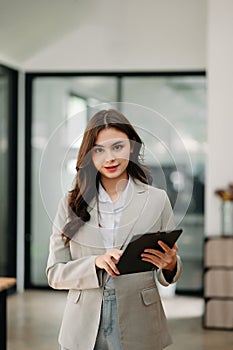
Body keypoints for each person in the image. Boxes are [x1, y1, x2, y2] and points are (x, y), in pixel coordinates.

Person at [46, 109, 182, 350]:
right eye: (99, 150)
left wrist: (170, 264)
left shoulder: (157, 200)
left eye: (117, 147)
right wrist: (95, 263)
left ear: (132, 147)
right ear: (89, 154)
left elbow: (168, 271)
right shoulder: (70, 203)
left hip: (140, 319)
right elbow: (55, 273)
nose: (109, 158)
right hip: (83, 323)